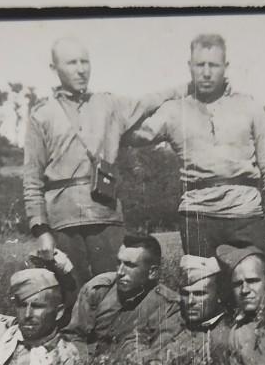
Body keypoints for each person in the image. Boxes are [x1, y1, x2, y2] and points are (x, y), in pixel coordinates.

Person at [23, 37, 183, 299]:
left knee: (116, 291)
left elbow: (147, 102)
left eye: (85, 62)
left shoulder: (108, 104)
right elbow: (31, 179)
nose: (80, 69)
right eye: (72, 63)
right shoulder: (42, 115)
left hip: (105, 215)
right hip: (62, 223)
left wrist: (185, 88)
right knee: (72, 295)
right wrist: (41, 232)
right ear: (54, 69)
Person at [126, 33, 265, 257]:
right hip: (197, 216)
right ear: (189, 67)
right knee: (200, 287)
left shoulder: (248, 106)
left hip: (245, 213)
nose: (206, 73)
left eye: (213, 65)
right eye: (200, 65)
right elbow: (134, 135)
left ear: (225, 66)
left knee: (255, 285)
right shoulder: (174, 110)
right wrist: (171, 93)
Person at [62, 231, 182, 364]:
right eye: (119, 263)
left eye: (130, 265)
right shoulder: (98, 290)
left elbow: (160, 353)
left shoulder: (169, 305)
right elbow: (74, 336)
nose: (120, 272)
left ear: (152, 272)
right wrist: (86, 364)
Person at [166, 254, 233, 365]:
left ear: (218, 294)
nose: (190, 301)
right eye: (185, 293)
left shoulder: (223, 337)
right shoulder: (174, 320)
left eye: (199, 294)